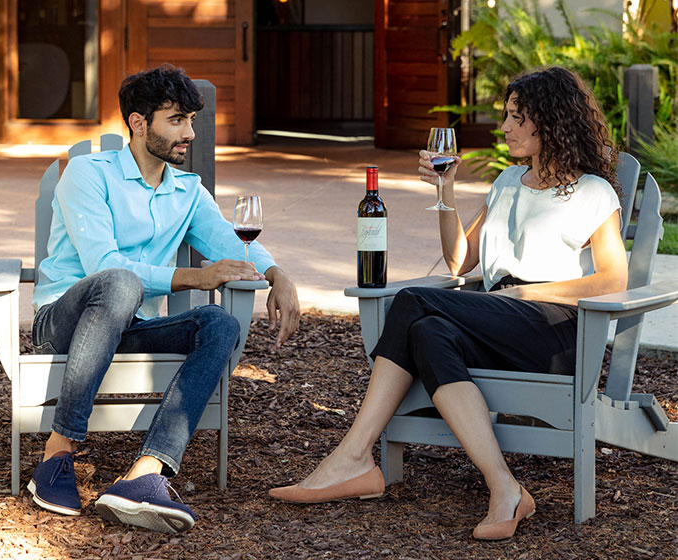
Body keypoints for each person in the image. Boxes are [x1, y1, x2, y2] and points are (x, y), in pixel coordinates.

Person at [268, 66, 628, 541]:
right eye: (506, 116)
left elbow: (612, 278)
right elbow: (460, 260)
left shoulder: (593, 192)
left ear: (551, 119)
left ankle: (353, 456)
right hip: (500, 317)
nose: (504, 127)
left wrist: (528, 293)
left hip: (555, 329)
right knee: (426, 330)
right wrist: (445, 191)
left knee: (414, 300)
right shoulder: (506, 183)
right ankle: (504, 487)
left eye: (517, 118)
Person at [28, 65, 300, 533]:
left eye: (191, 120)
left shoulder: (186, 191)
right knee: (119, 283)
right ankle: (57, 455)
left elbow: (230, 242)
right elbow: (102, 265)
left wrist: (278, 274)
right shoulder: (88, 175)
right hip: (63, 320)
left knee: (219, 323)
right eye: (176, 120)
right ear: (138, 123)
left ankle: (143, 475)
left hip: (129, 325)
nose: (189, 133)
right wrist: (195, 276)